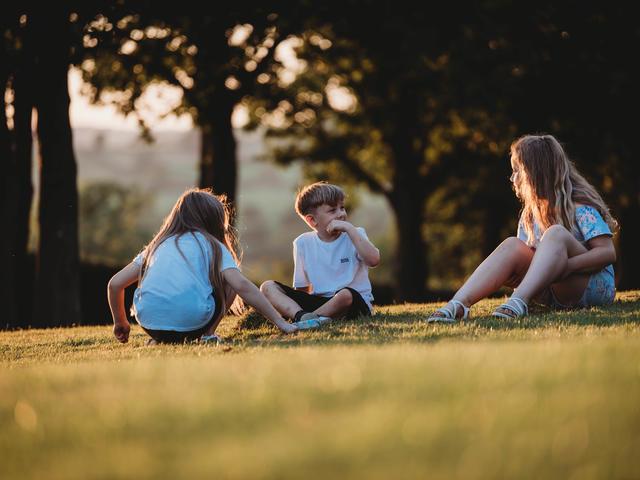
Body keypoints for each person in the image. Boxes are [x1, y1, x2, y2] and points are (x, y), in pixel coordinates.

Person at [427, 134, 618, 322]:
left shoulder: (580, 208)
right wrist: (514, 273)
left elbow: (607, 253)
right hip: (551, 290)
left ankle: (518, 302)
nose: (512, 178)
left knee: (556, 234)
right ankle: (458, 304)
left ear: (535, 173)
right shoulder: (529, 215)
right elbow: (532, 259)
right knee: (513, 245)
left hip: (589, 286)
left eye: (517, 171)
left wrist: (566, 266)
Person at [107, 188, 297, 344]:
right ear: (214, 220)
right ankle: (208, 334)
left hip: (150, 324)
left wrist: (120, 322)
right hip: (193, 323)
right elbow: (241, 286)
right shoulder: (214, 246)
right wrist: (281, 322)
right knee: (230, 280)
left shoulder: (156, 246)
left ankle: (162, 339)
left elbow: (115, 284)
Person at [260, 182, 380, 329]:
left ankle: (308, 322)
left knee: (345, 294)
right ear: (312, 220)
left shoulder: (355, 234)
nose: (341, 213)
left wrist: (350, 228)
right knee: (267, 287)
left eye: (342, 207)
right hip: (320, 301)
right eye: (332, 210)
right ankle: (304, 317)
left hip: (353, 302)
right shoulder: (302, 243)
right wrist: (299, 307)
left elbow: (373, 260)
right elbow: (302, 289)